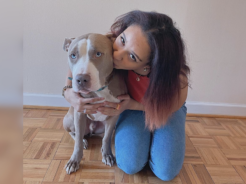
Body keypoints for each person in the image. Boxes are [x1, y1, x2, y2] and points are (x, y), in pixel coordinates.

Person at [63, 10, 190, 181]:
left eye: (132, 56)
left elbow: (172, 105)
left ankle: (156, 136)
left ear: (150, 64)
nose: (116, 55)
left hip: (165, 107)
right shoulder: (108, 43)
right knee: (130, 164)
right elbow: (77, 62)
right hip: (131, 106)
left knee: (165, 170)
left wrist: (132, 105)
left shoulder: (174, 76)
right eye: (122, 40)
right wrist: (68, 93)